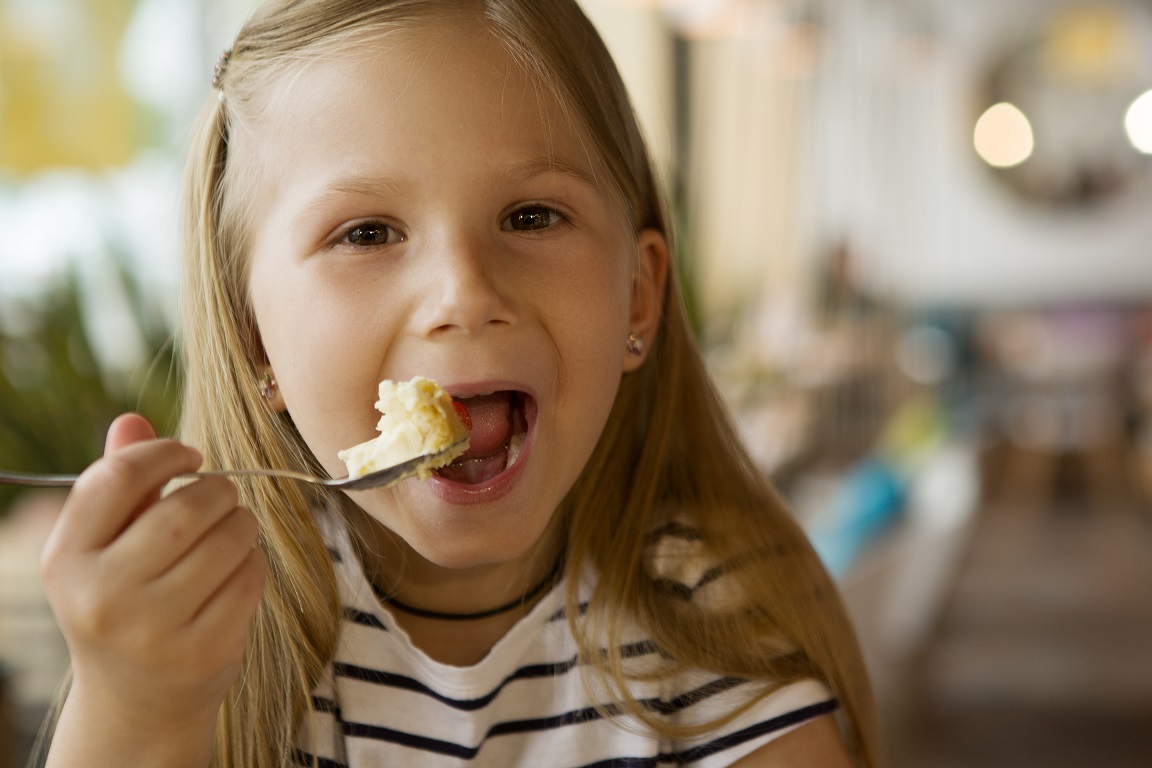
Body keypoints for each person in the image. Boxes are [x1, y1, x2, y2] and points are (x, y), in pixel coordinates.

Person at [34, 1, 881, 766]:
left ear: (637, 296)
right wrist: (134, 711)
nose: (464, 293)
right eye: (366, 233)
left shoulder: (713, 631)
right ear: (256, 341)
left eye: (531, 216)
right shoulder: (200, 642)